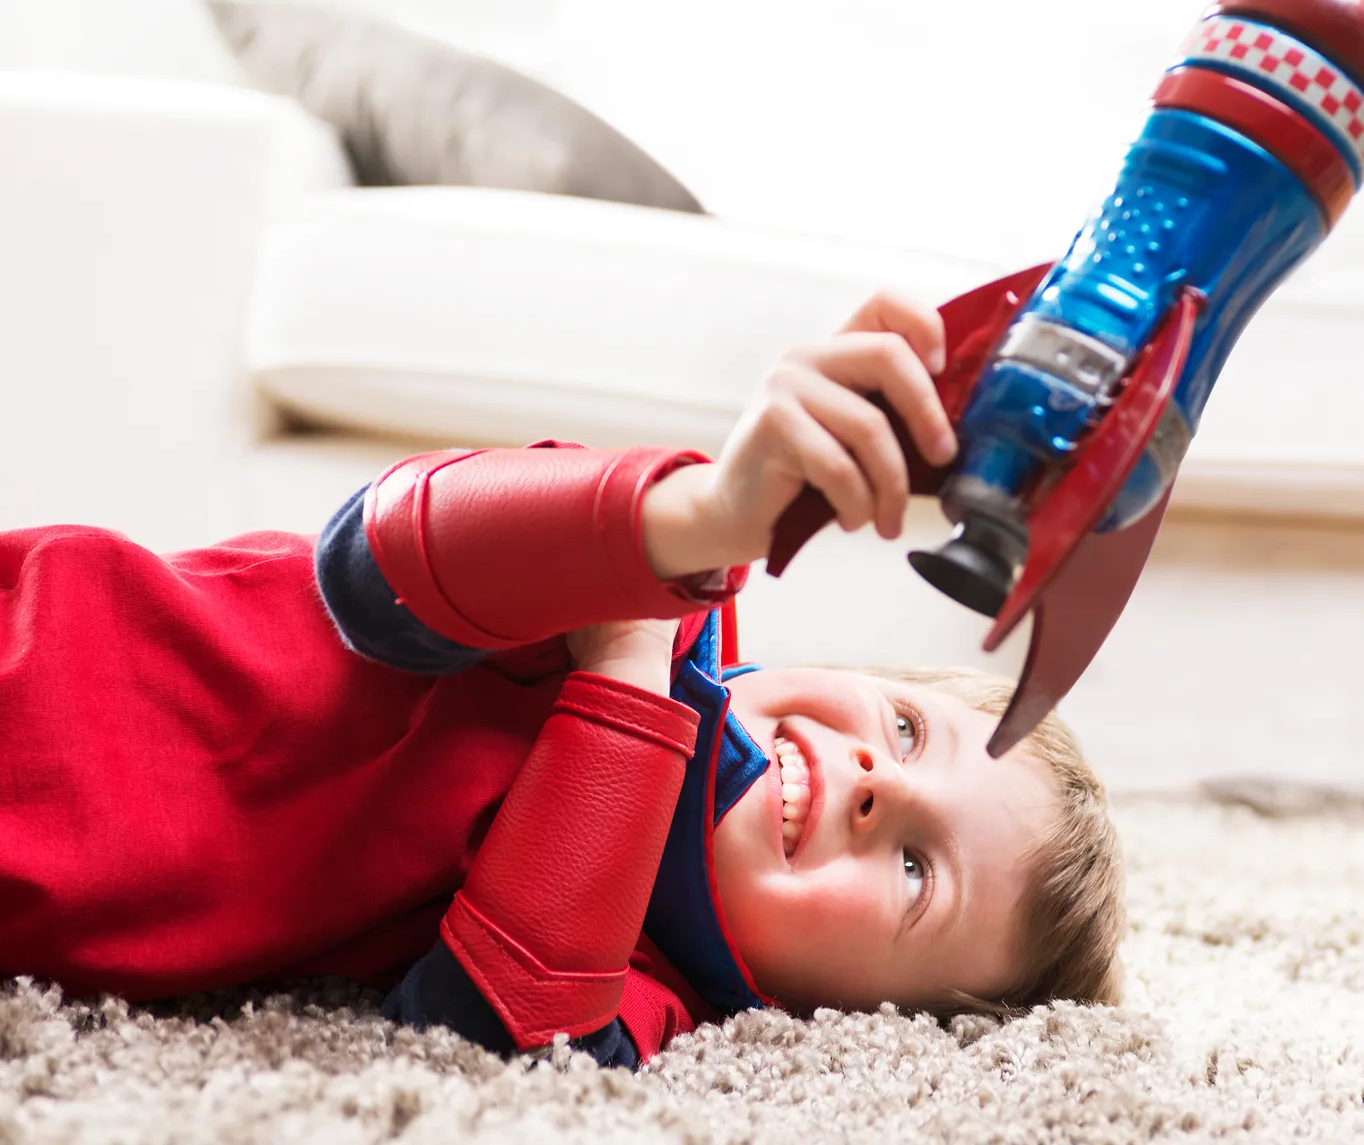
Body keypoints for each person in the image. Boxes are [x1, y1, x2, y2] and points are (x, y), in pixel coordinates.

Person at [0, 293, 1125, 1067]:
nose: (878, 780)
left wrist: (622, 701)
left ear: (822, 1012)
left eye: (919, 872)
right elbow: (377, 558)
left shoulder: (649, 989)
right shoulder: (646, 583)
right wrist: (692, 523)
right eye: (909, 728)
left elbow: (490, 1048)